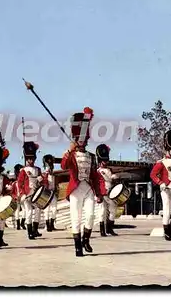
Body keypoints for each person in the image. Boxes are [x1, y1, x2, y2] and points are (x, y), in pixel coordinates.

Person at [61, 107, 106, 257]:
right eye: (78, 139)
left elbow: (95, 176)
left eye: (83, 139)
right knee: (76, 218)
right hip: (75, 191)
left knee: (91, 216)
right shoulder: (70, 155)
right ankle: (78, 247)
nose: (81, 141)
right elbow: (64, 165)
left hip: (88, 189)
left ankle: (86, 239)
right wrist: (68, 151)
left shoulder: (91, 156)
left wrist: (99, 193)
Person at [17, 141, 43, 240]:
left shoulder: (38, 169)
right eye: (28, 159)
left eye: (32, 158)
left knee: (38, 211)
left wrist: (41, 180)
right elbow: (19, 183)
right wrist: (22, 193)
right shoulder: (23, 170)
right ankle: (29, 232)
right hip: (27, 194)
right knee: (28, 212)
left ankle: (35, 230)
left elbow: (42, 182)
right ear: (26, 159)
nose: (30, 160)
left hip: (37, 194)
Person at [95, 144, 119, 237]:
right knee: (103, 211)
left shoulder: (109, 170)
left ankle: (109, 229)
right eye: (103, 160)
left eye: (105, 160)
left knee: (111, 210)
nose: (105, 162)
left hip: (109, 191)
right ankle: (104, 230)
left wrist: (114, 177)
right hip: (103, 192)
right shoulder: (98, 171)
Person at [42, 154, 58, 232]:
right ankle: (47, 225)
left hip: (53, 192)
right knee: (47, 210)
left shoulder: (54, 174)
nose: (50, 167)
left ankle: (52, 224)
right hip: (46, 192)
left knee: (54, 209)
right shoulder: (44, 174)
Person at [11, 164, 25, 230]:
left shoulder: (24, 182)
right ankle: (18, 225)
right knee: (17, 211)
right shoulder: (14, 183)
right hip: (17, 198)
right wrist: (15, 197)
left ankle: (23, 222)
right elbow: (12, 193)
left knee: (25, 210)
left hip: (23, 197)